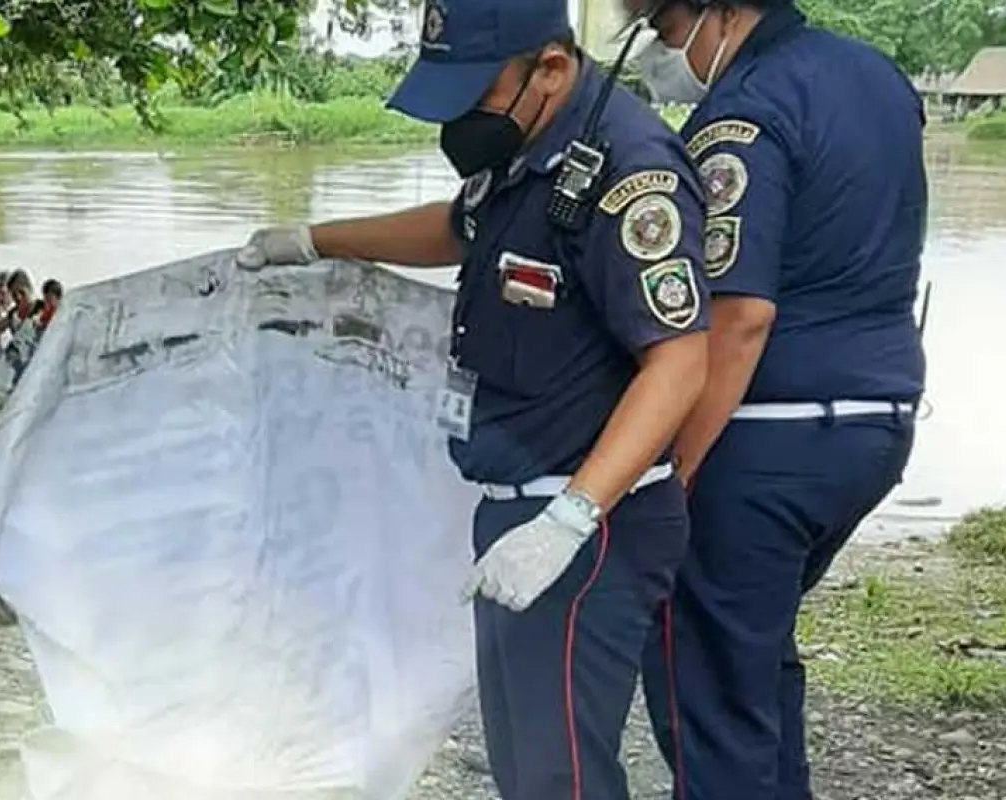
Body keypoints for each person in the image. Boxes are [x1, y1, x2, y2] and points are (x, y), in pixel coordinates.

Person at [236, 1, 712, 796]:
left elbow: (679, 361)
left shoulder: (630, 173)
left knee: (563, 774)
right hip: (515, 513)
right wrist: (316, 240)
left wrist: (570, 518)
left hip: (586, 528)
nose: (458, 119)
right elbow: (460, 227)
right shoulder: (530, 147)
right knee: (525, 767)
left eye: (472, 94)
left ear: (551, 69)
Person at [620, 2, 927, 799]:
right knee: (751, 658)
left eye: (659, 29)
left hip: (764, 438)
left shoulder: (743, 113)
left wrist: (672, 466)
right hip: (876, 419)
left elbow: (739, 316)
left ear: (713, 13)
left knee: (708, 688)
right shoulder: (876, 77)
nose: (659, 50)